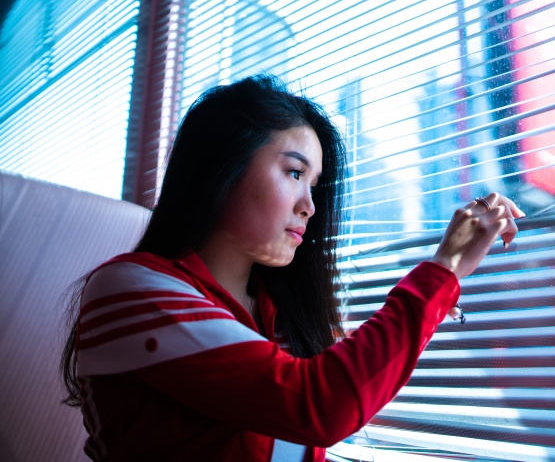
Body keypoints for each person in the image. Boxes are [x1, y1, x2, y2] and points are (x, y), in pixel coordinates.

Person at [61, 75, 523, 461]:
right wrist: (443, 270)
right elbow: (318, 405)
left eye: (315, 185)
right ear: (221, 166)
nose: (309, 207)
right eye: (295, 173)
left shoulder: (279, 319)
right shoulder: (128, 288)